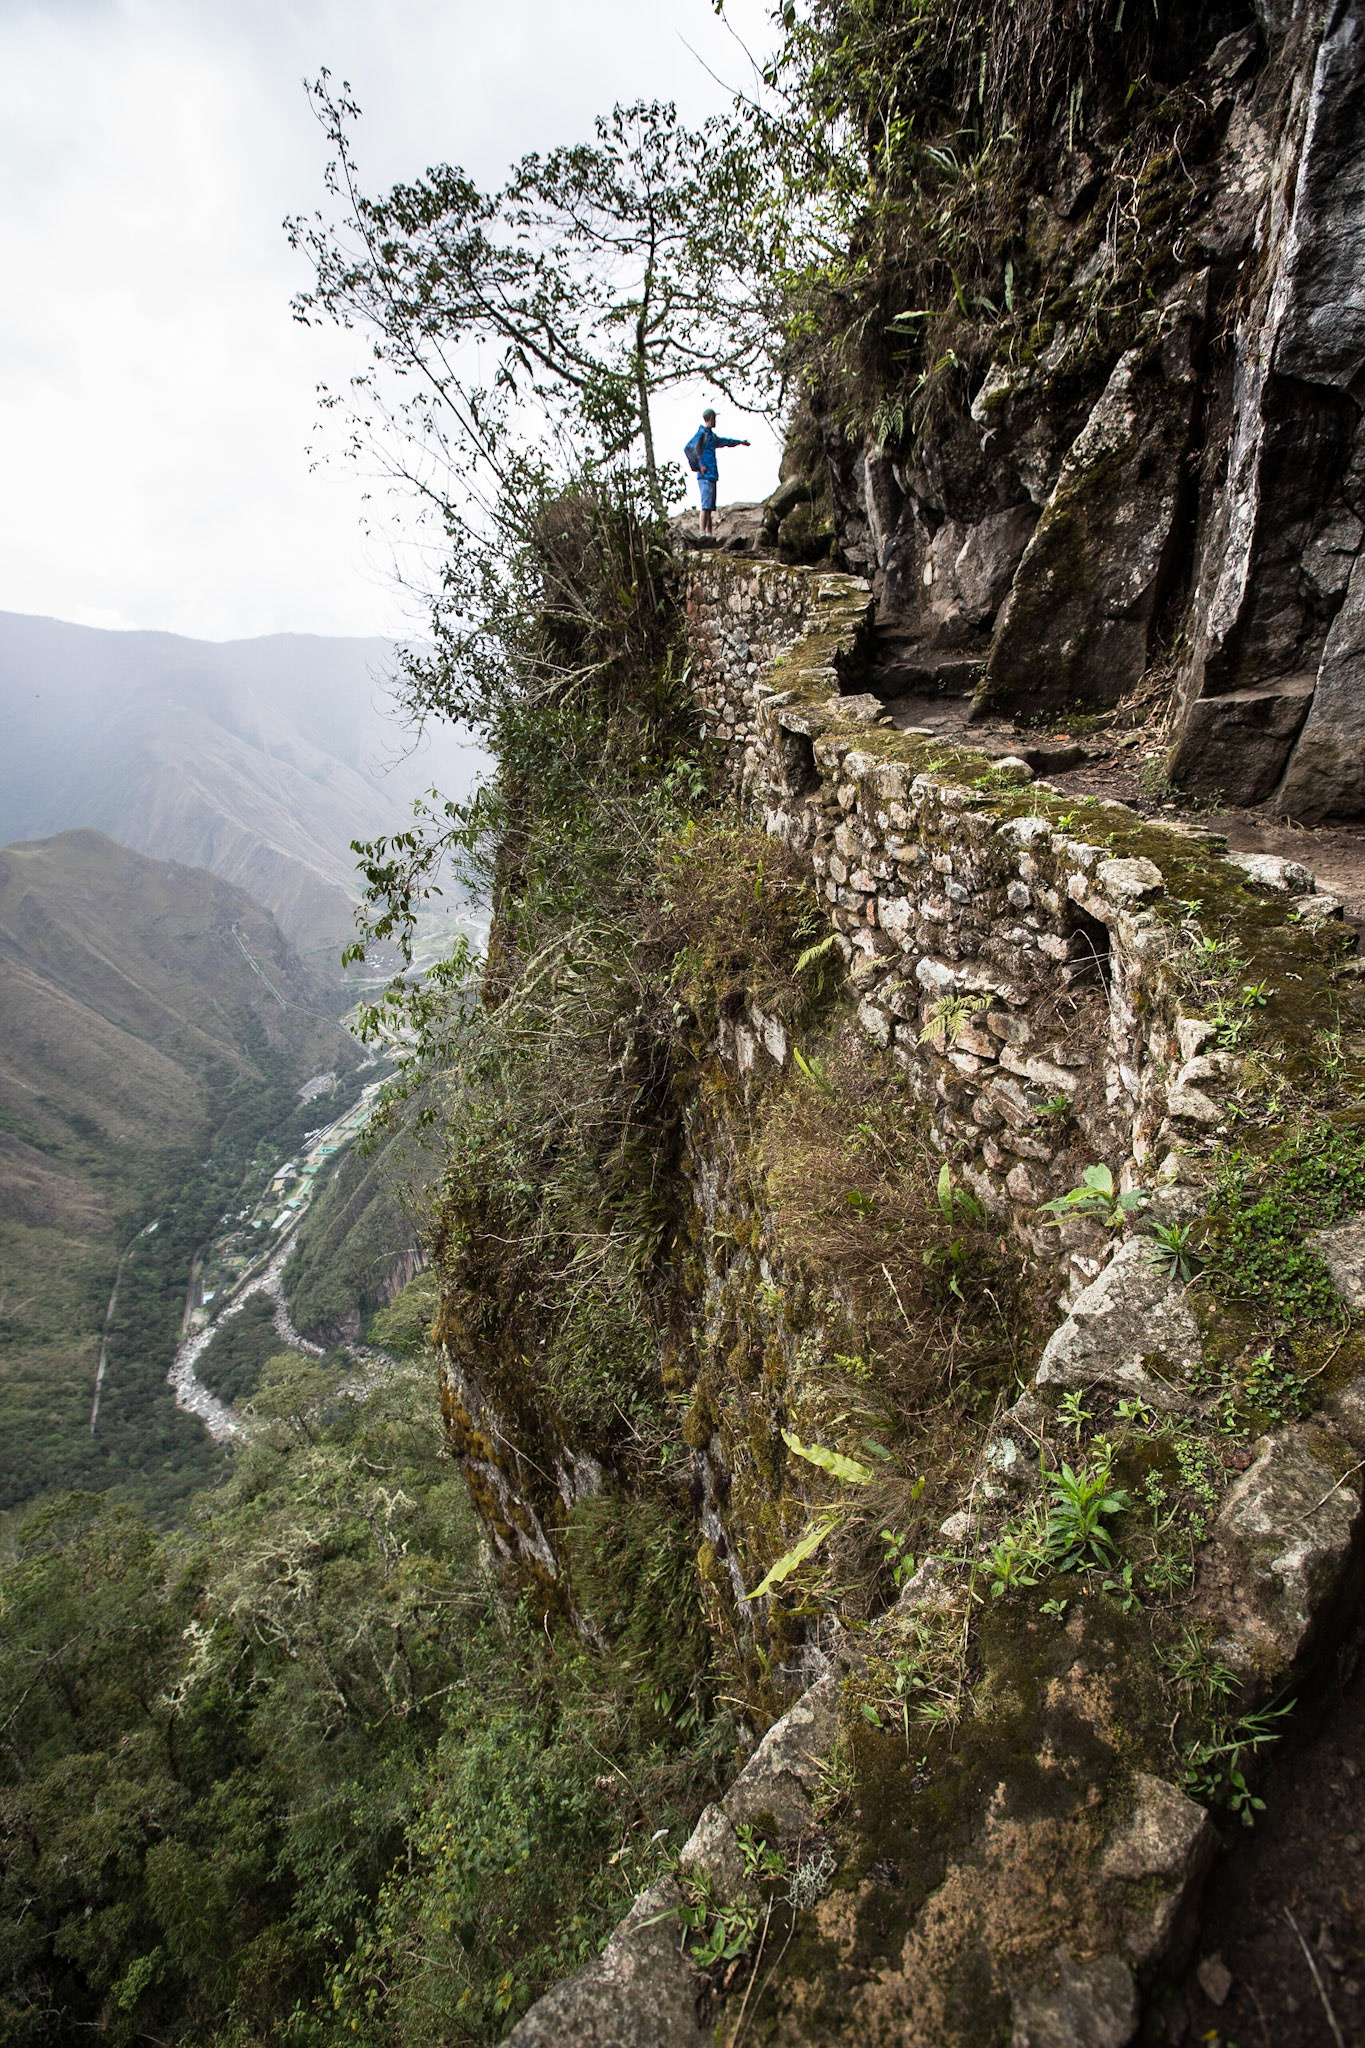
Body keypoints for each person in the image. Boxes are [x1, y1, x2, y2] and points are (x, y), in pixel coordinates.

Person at [687, 408, 749, 535]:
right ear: (710, 418)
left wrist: (740, 442)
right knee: (705, 505)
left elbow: (726, 441)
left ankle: (709, 533)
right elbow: (689, 448)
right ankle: (702, 533)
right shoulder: (702, 434)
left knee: (710, 506)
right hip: (705, 475)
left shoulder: (711, 436)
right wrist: (699, 466)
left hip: (712, 475)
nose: (716, 421)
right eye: (714, 418)